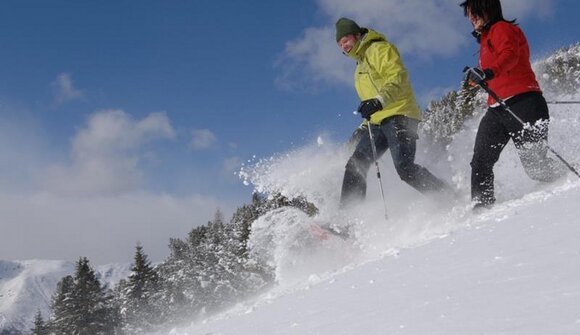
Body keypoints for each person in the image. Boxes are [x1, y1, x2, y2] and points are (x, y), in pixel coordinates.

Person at [461, 0, 564, 210]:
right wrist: (477, 79)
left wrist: (488, 72)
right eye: (469, 15)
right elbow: (494, 69)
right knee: (480, 161)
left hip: (524, 102)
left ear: (487, 9)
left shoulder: (503, 29)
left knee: (536, 166)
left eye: (474, 13)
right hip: (497, 109)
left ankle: (569, 182)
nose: (471, 18)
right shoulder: (485, 41)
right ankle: (481, 209)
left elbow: (509, 55)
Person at [335, 17, 449, 208]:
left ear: (356, 35)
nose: (343, 46)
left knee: (405, 168)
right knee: (355, 165)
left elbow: (397, 77)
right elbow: (369, 104)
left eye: (346, 40)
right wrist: (363, 127)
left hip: (400, 114)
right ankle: (346, 221)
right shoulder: (359, 67)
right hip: (377, 123)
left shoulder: (379, 49)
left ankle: (448, 197)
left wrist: (379, 101)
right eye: (340, 44)